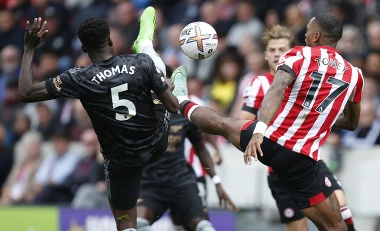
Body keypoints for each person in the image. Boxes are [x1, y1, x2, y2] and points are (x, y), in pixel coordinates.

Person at [171, 13, 363, 230]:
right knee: (336, 226)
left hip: (268, 141)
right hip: (300, 161)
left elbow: (277, 88)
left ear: (317, 36)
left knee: (222, 124)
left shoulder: (299, 54)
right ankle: (181, 99)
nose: (305, 34)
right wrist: (322, 115)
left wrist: (259, 131)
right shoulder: (355, 75)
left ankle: (181, 100)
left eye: (308, 30)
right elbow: (351, 123)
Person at [18, 6, 180, 231]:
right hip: (156, 141)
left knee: (124, 222)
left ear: (84, 48)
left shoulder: (79, 78)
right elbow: (173, 107)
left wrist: (28, 47)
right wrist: (165, 93)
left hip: (121, 157)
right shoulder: (139, 63)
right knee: (157, 76)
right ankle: (163, 75)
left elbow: (25, 92)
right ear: (111, 41)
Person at [240, 25, 355, 231]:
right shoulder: (259, 84)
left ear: (292, 52)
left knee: (342, 210)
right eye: (272, 50)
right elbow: (244, 121)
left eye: (282, 50)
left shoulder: (307, 78)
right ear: (265, 54)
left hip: (310, 161)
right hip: (279, 168)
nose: (277, 54)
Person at [136, 66, 237, 231]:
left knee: (203, 227)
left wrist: (217, 182)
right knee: (137, 226)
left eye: (162, 80)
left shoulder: (183, 110)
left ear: (171, 84)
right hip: (151, 184)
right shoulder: (140, 112)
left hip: (182, 181)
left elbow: (201, 148)